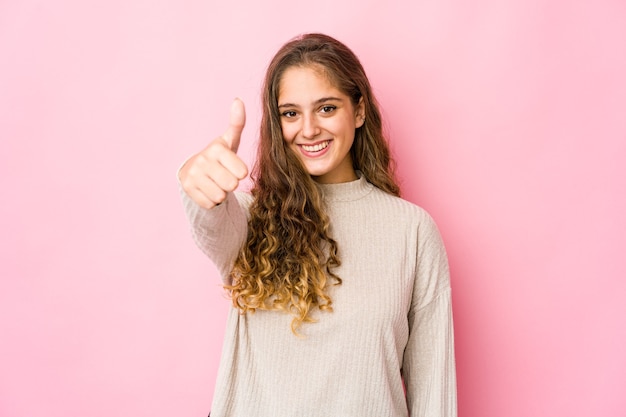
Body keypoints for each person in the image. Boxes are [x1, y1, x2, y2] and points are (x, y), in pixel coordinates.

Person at [178, 33, 457, 417]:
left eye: (326, 108)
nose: (308, 130)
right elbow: (209, 221)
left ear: (358, 111)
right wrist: (194, 179)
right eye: (291, 113)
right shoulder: (247, 218)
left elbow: (433, 394)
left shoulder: (412, 231)